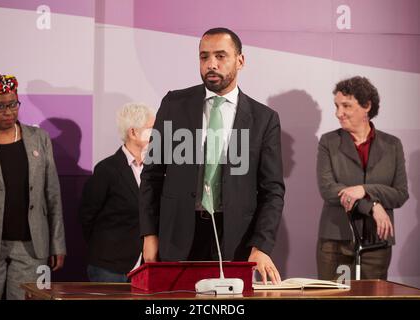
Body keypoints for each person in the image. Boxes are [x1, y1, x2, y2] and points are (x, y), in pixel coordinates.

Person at [140, 28, 285, 284]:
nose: (211, 64)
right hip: (177, 237)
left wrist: (261, 245)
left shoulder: (264, 119)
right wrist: (149, 234)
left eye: (220, 56)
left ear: (240, 61)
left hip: (235, 241)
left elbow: (272, 191)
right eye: (204, 57)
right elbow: (151, 175)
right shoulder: (174, 105)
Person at [0, 71, 66, 299]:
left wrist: (57, 243)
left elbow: (52, 194)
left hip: (32, 246)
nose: (9, 111)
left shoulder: (39, 138)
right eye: (0, 106)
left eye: (13, 104)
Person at [316, 76, 409, 280]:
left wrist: (362, 189)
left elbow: (400, 194)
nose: (338, 113)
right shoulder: (328, 142)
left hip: (377, 242)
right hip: (335, 243)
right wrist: (372, 203)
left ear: (367, 105)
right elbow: (328, 190)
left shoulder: (393, 145)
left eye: (346, 106)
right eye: (337, 106)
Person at [79, 103, 155, 282]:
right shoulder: (107, 169)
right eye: (152, 128)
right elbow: (87, 215)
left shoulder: (155, 169)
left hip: (145, 265)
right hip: (109, 267)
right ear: (133, 132)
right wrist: (107, 248)